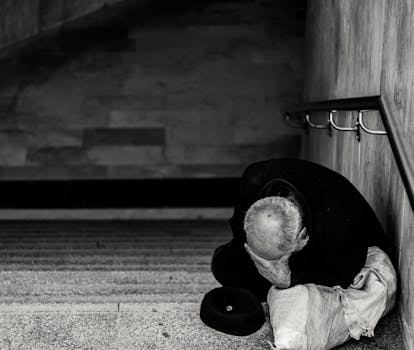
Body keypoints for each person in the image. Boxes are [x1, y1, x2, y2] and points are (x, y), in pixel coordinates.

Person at [211, 158, 392, 301]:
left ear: (301, 237)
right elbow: (237, 224)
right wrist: (255, 256)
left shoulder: (341, 223)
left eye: (272, 260)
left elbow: (342, 274)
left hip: (340, 252)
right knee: (225, 266)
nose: (264, 266)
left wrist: (291, 279)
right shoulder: (254, 178)